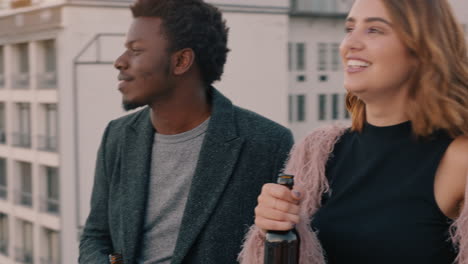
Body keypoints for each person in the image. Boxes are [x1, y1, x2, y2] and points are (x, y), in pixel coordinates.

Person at [239, 0, 468, 263]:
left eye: (374, 30)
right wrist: (271, 227)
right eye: (349, 29)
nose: (349, 44)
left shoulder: (460, 160)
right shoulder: (317, 153)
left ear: (423, 49)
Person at [78, 0, 294, 263]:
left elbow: (282, 246)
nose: (119, 62)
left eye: (135, 50)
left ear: (181, 61)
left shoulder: (267, 143)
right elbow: (95, 236)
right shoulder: (117, 135)